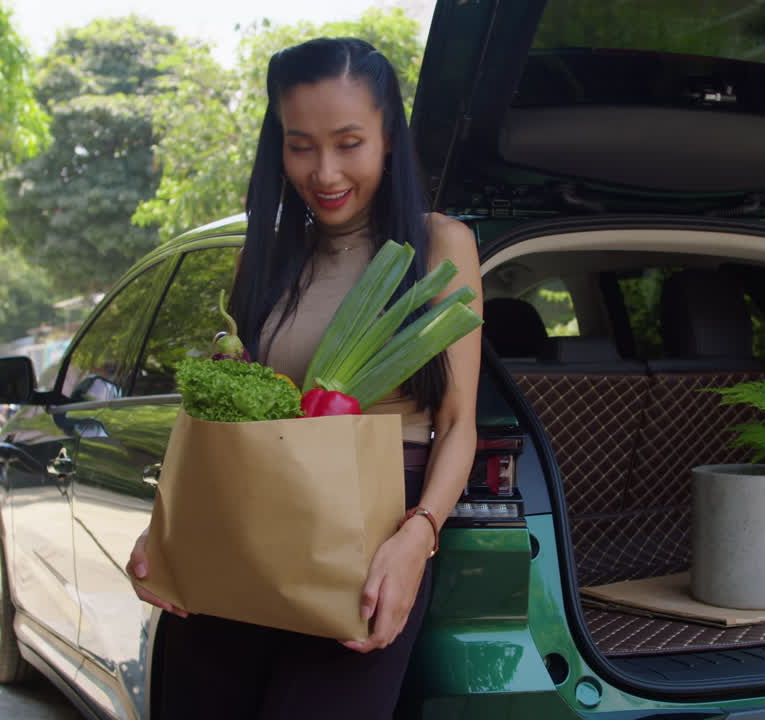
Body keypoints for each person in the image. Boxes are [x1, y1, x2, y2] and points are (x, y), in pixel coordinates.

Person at [125, 37, 482, 719]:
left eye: (349, 143)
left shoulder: (440, 248)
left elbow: (460, 423)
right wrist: (171, 528)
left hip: (366, 549)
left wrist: (418, 538)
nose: (324, 171)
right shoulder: (263, 257)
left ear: (386, 136)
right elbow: (230, 424)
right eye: (301, 145)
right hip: (243, 538)